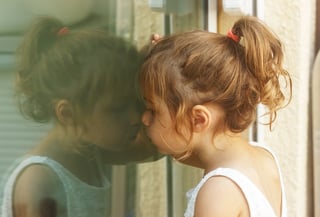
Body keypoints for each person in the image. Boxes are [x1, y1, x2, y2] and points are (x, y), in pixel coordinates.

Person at [0, 16, 159, 217]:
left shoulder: (87, 152)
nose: (136, 117)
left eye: (135, 102)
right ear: (68, 114)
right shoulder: (39, 182)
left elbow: (157, 144)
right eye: (117, 109)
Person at [139, 16, 292, 217]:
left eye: (153, 109)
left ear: (199, 119)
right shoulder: (262, 156)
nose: (144, 119)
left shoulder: (218, 193)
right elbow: (195, 154)